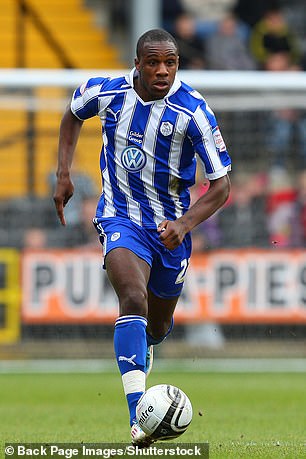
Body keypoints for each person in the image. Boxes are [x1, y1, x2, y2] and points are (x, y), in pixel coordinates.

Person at [53, 28, 231, 446]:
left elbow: (221, 186)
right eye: (153, 62)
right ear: (137, 64)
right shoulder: (108, 93)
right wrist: (63, 174)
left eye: (170, 62)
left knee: (159, 322)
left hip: (170, 229)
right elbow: (72, 114)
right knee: (133, 297)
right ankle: (139, 418)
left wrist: (185, 224)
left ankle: (145, 344)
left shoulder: (194, 111)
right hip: (119, 216)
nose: (162, 70)